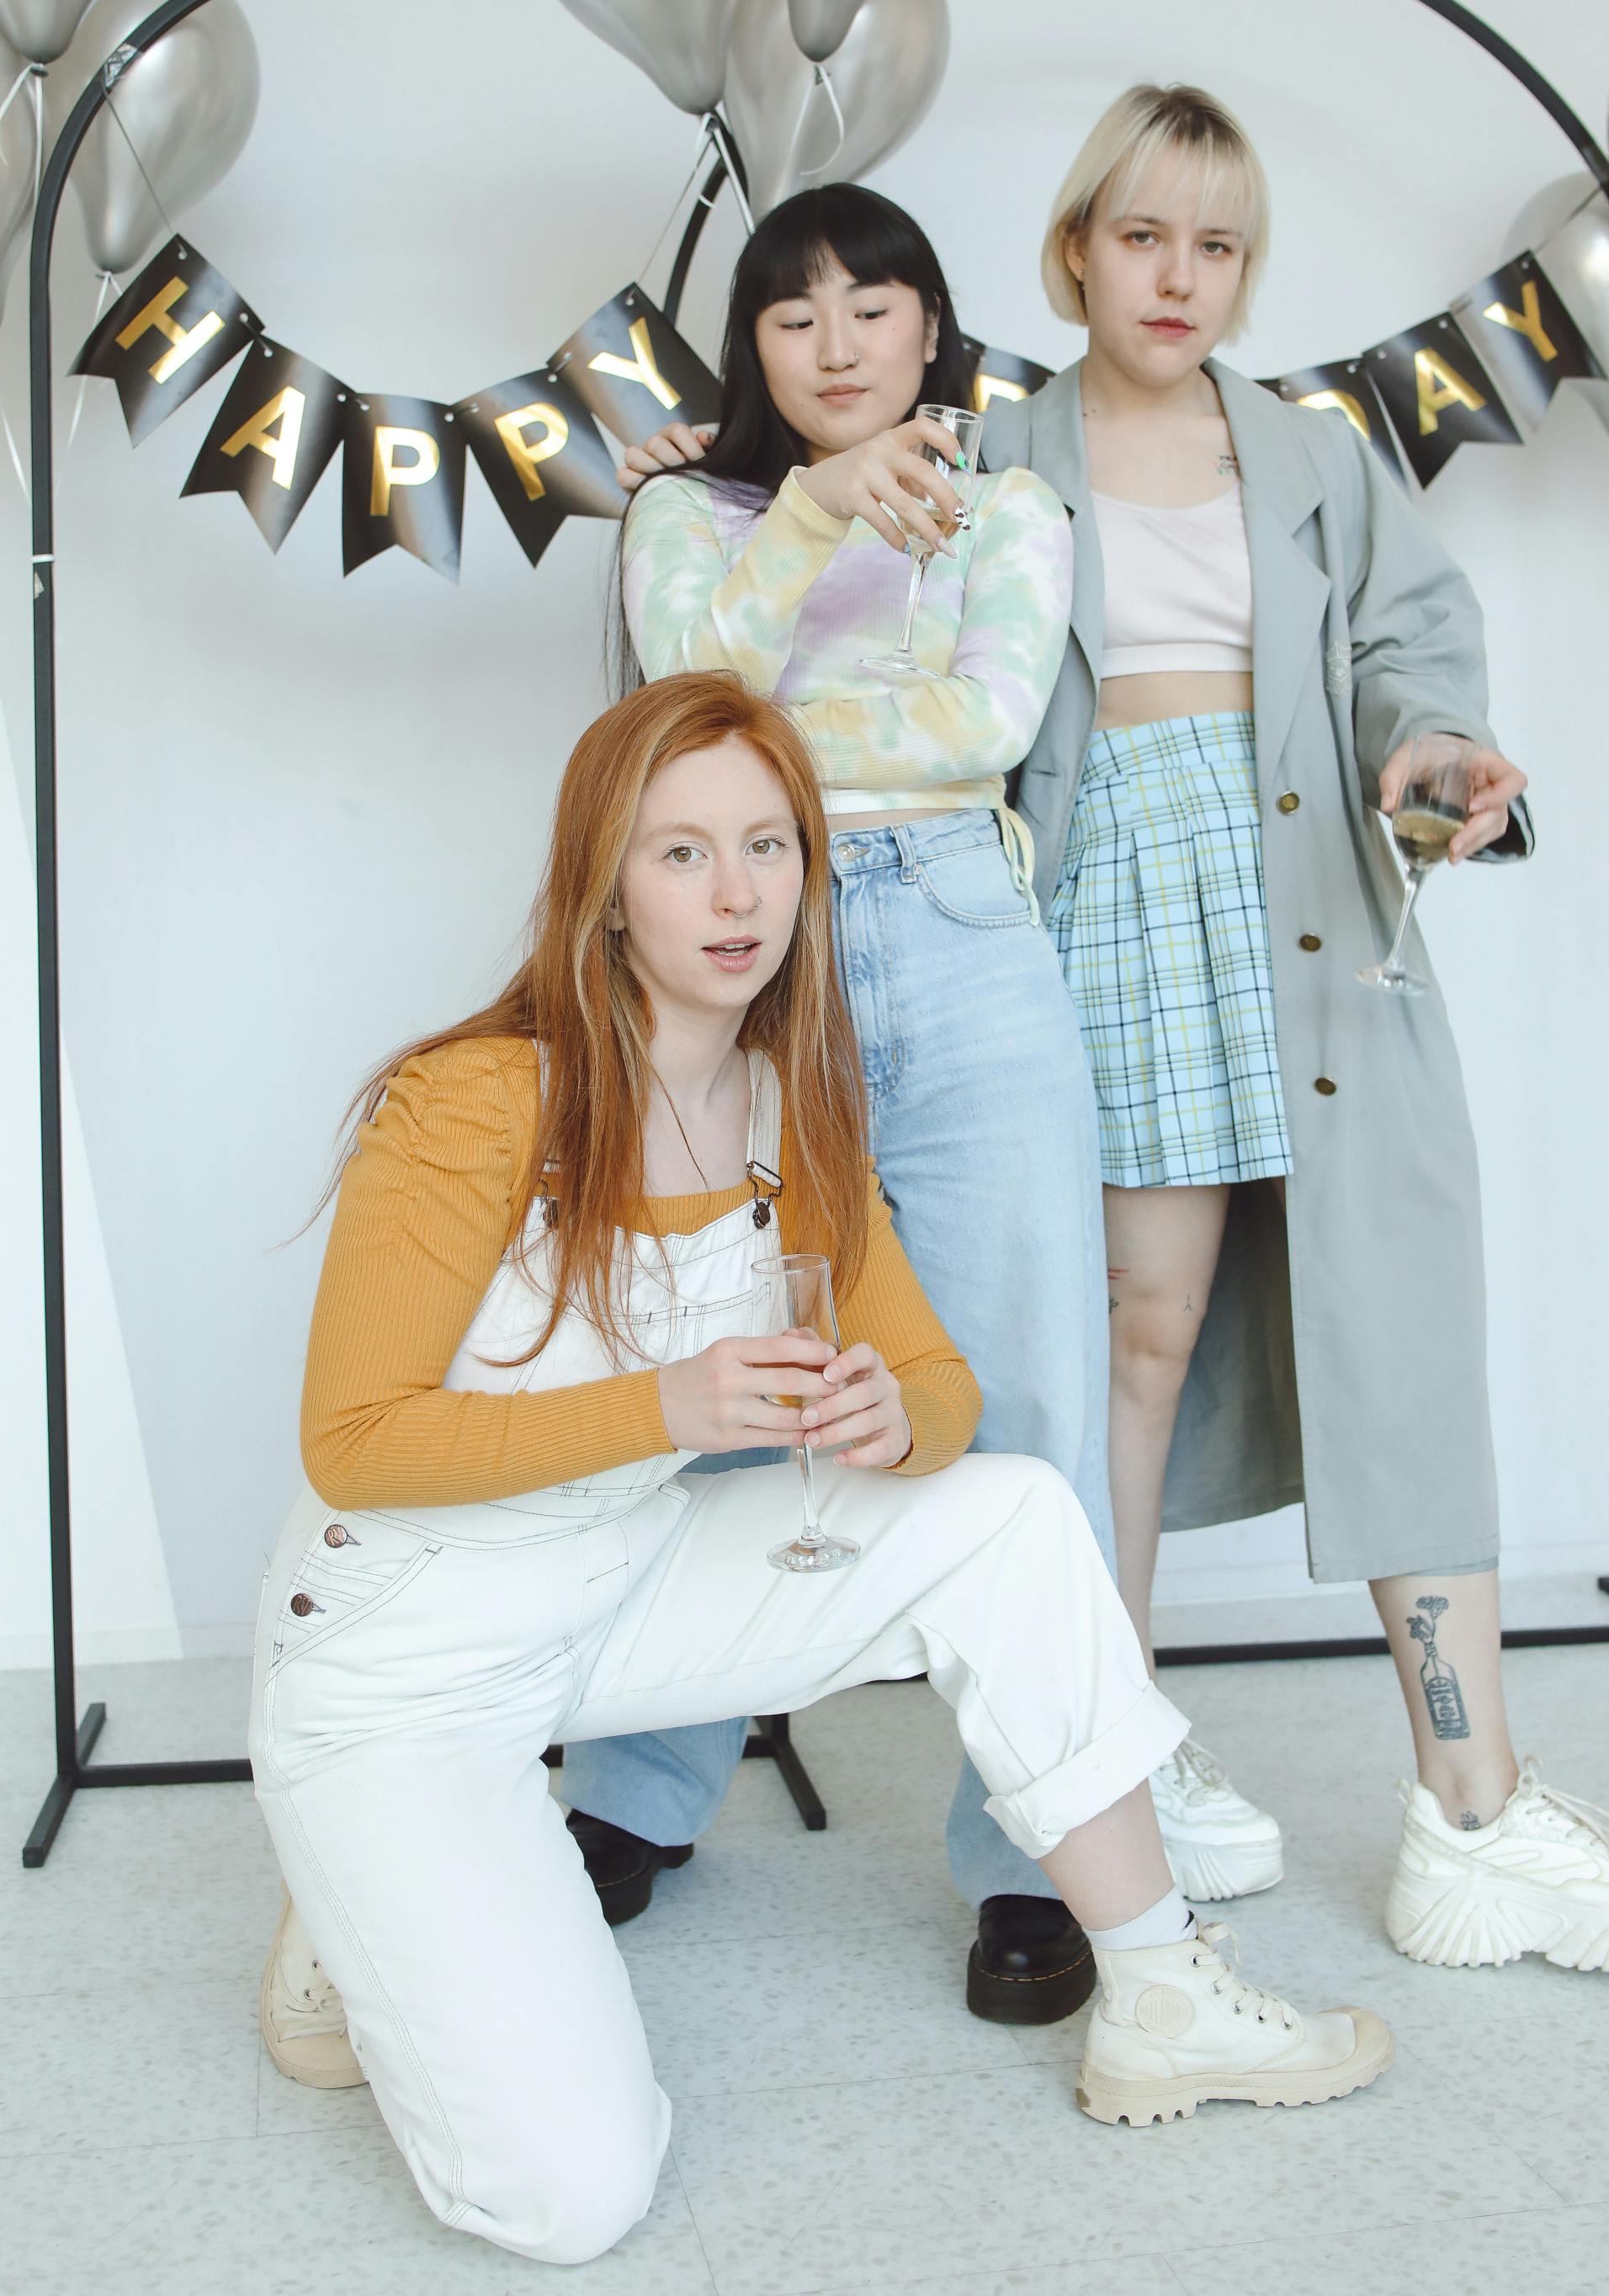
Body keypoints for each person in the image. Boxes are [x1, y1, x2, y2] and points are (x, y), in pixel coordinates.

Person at [618, 88, 1609, 1968]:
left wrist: (1427, 745)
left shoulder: (1311, 455)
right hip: (1083, 907)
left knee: (1384, 1306)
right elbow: (793, 553)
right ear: (1070, 251)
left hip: (1307, 896)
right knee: (1112, 1339)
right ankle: (1104, 1775)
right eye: (1142, 236)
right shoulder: (977, 452)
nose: (1178, 276)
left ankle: (1466, 1805)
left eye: (1218, 244)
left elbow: (1401, 651)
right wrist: (734, 466)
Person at [250, 672, 1391, 2265]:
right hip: (404, 1661)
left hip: (614, 1600)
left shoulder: (796, 1103)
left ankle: (1160, 1987)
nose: (737, 897)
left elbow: (935, 1382)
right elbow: (351, 1444)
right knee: (572, 2200)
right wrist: (671, 1407)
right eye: (681, 854)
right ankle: (356, 1892)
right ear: (602, 880)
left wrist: (886, 1416)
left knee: (1009, 1511)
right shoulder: (474, 1100)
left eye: (770, 846)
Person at [563, 183, 1111, 2026]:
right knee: (724, 1369)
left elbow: (980, 727)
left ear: (931, 323)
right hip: (747, 954)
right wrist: (798, 520)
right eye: (793, 319)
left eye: (873, 308)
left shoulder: (1012, 508)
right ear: (753, 351)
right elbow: (685, 701)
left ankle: (1036, 1851)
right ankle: (644, 1789)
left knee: (1022, 1390)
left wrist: (778, 708)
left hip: (958, 936)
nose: (838, 346)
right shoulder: (679, 511)